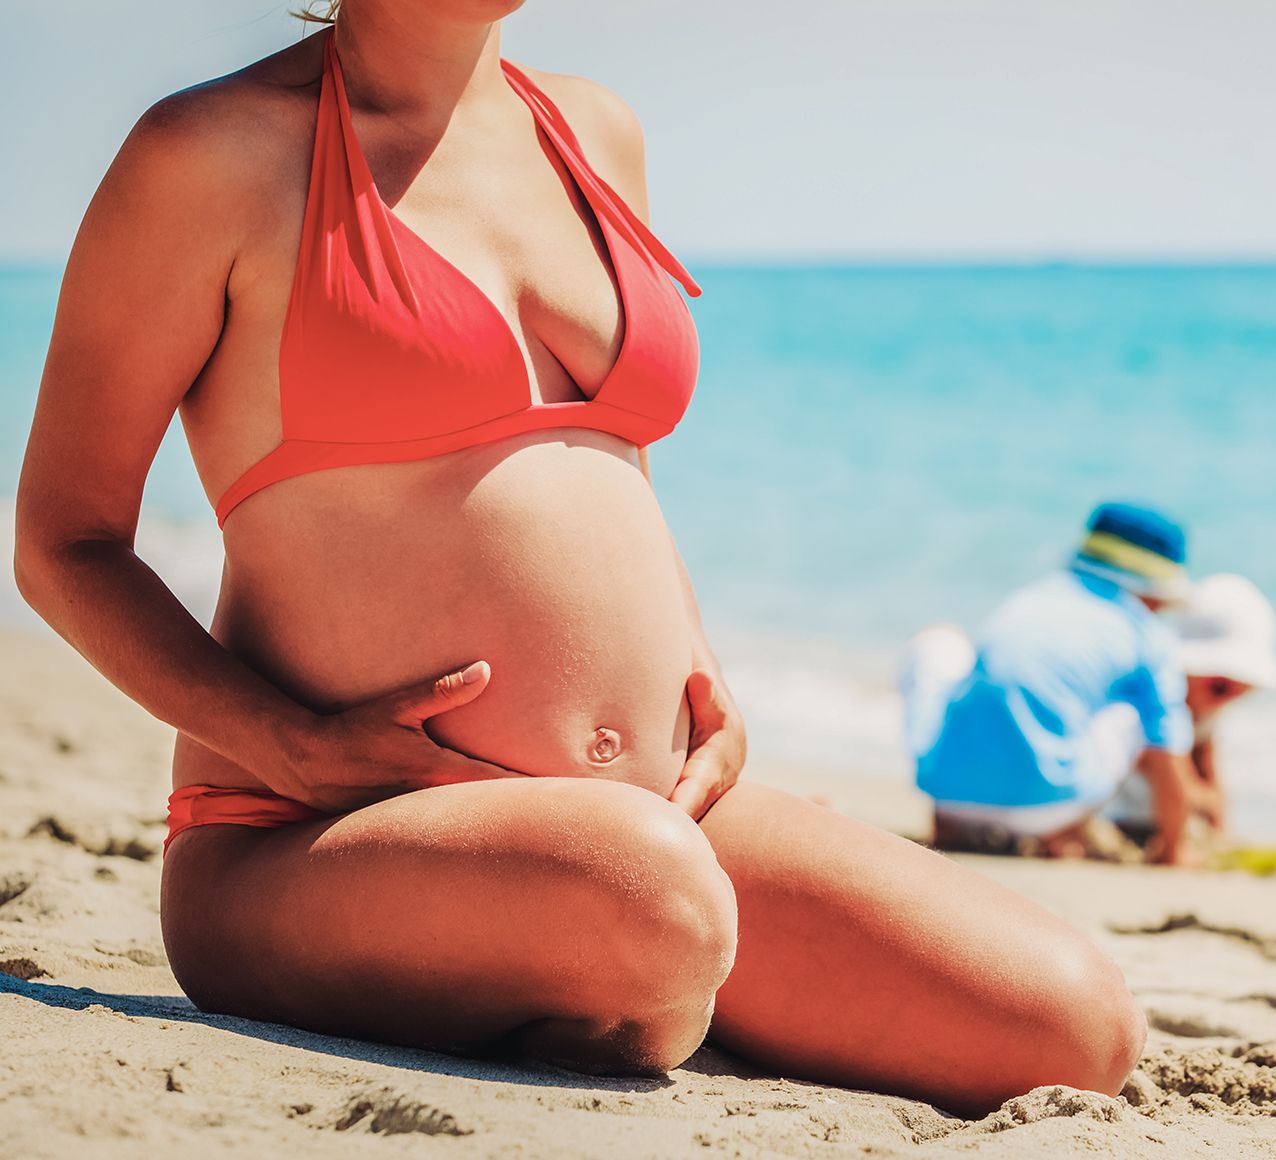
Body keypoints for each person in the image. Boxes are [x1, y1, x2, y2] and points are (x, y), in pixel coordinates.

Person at [10, 1, 1143, 1115]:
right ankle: (625, 967)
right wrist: (291, 746)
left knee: (1073, 1026)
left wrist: (702, 671)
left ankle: (623, 973)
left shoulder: (595, 133)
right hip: (315, 839)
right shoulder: (210, 151)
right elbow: (65, 538)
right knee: (650, 901)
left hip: (656, 815)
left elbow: (610, 463)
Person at [900, 502, 1217, 866]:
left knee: (937, 644)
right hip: (1048, 808)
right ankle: (1063, 834)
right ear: (1155, 591)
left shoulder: (1034, 597)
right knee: (1132, 712)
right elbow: (1168, 751)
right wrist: (1174, 849)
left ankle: (949, 825)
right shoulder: (1147, 634)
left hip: (949, 794)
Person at [1106, 573, 1276, 844]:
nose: (1226, 700)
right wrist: (1198, 797)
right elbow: (1161, 766)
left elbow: (1208, 768)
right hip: (1113, 815)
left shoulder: (1207, 709)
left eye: (1243, 692)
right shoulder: (1149, 705)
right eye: (1220, 687)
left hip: (1153, 819)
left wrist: (1221, 835)